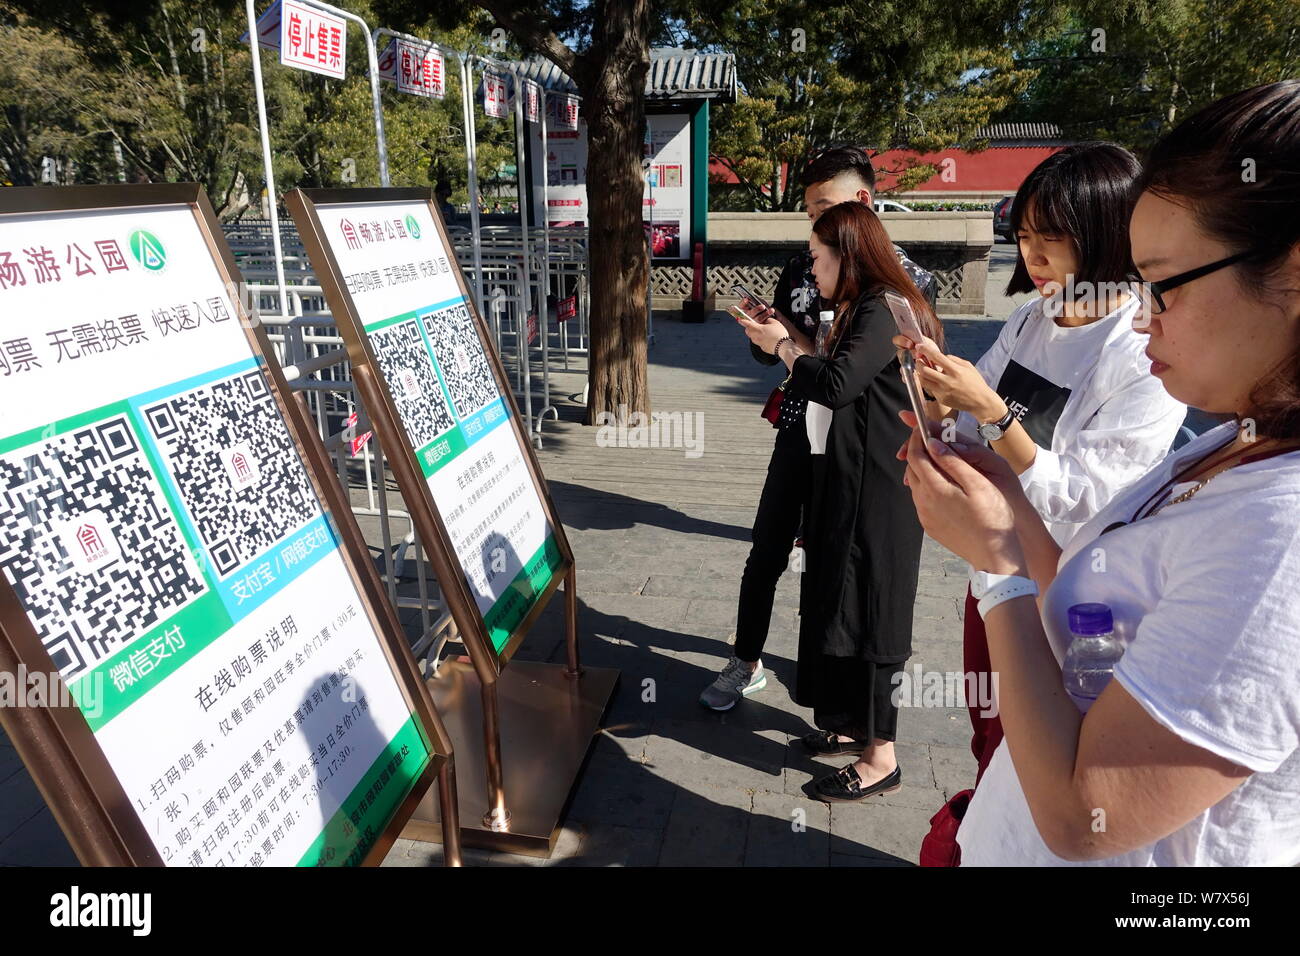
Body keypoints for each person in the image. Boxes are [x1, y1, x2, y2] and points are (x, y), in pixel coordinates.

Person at [899, 79, 1300, 864]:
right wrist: (999, 491)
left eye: (1166, 284)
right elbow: (1092, 585)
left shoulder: (1279, 539)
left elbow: (1089, 818)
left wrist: (999, 565)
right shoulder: (1221, 448)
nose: (1142, 312)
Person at [893, 143, 1187, 781]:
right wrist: (939, 411)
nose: (1032, 256)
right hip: (995, 566)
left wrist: (995, 414)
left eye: (1052, 237)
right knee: (989, 742)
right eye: (1023, 235)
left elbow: (1085, 498)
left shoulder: (1144, 350)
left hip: (1073, 598)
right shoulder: (1034, 316)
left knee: (1036, 755)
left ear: (1111, 233)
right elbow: (976, 419)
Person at [699, 146, 934, 711]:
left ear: (862, 202)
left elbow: (873, 374)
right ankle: (746, 659)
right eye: (809, 213)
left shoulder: (903, 280)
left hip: (857, 443)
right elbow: (778, 360)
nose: (814, 227)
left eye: (824, 208)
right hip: (801, 422)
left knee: (838, 560)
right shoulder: (803, 266)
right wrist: (768, 336)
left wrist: (793, 348)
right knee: (768, 546)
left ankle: (838, 684)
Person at [739, 201, 943, 802]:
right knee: (841, 599)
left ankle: (883, 755)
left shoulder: (882, 305)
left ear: (848, 256)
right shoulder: (864, 303)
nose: (812, 269)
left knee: (876, 608)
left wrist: (783, 347)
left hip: (882, 485)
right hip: (849, 477)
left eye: (819, 258)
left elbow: (834, 382)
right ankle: (852, 728)